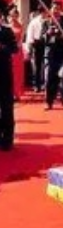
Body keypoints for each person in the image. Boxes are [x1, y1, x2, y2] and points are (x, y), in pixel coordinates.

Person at [0, 12, 18, 151]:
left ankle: (7, 140)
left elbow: (14, 48)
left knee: (6, 108)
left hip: (4, 75)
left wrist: (3, 48)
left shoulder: (7, 31)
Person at [25, 8, 46, 92]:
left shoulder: (48, 20)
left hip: (45, 44)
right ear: (41, 12)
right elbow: (30, 35)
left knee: (45, 65)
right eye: (44, 12)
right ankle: (36, 85)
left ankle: (44, 84)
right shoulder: (34, 22)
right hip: (36, 44)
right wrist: (29, 46)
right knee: (36, 66)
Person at [7, 6, 24, 100]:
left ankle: (16, 93)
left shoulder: (20, 25)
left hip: (17, 51)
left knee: (17, 73)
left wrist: (18, 46)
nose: (14, 16)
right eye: (12, 14)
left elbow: (21, 39)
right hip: (8, 51)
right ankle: (9, 93)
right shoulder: (7, 26)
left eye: (16, 15)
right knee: (9, 72)